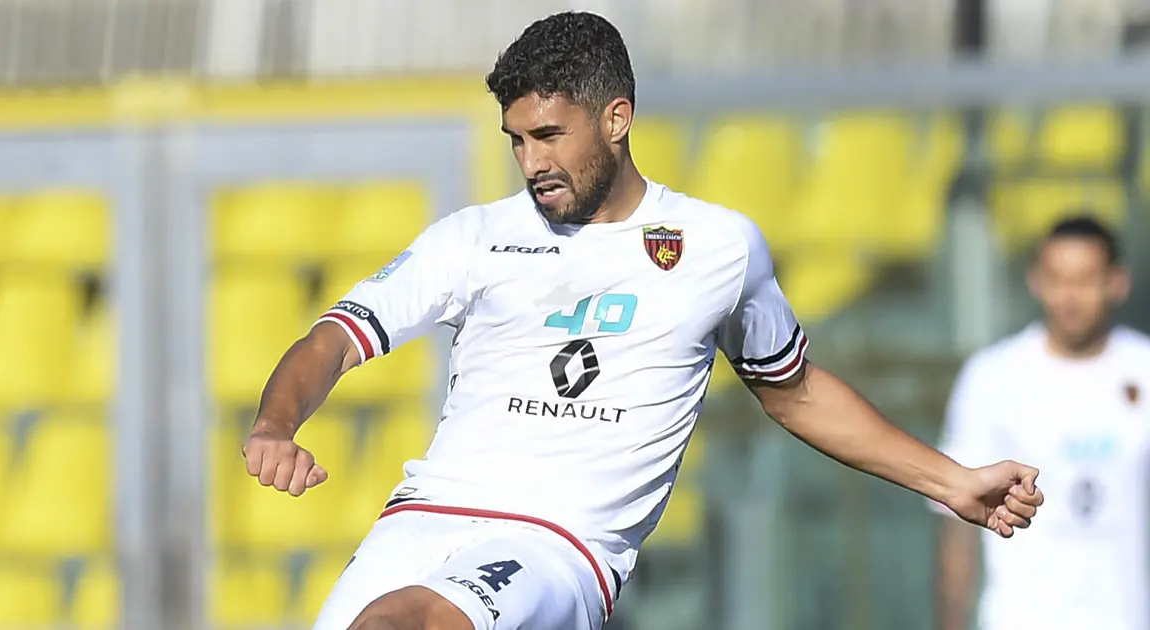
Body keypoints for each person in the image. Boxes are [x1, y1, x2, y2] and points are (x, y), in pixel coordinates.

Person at [243, 11, 1045, 630]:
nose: (532, 164)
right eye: (516, 141)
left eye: (549, 136)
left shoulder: (716, 247)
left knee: (403, 624)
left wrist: (954, 481)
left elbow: (795, 393)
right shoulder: (475, 237)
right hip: (421, 521)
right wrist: (276, 425)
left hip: (556, 544)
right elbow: (333, 339)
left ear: (616, 118)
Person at [935, 216, 1149, 630]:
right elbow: (956, 520)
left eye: (1085, 279)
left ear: (1117, 282)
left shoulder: (1144, 369)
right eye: (1057, 279)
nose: (1070, 296)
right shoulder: (992, 376)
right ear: (1036, 280)